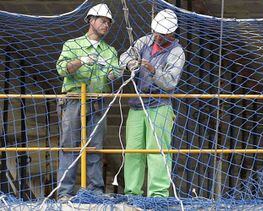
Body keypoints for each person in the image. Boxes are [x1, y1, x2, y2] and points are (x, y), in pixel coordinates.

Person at [56, 3, 121, 201]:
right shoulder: (72, 45)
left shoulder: (110, 51)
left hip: (97, 101)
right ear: (91, 20)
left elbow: (113, 73)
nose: (106, 25)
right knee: (70, 146)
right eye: (103, 21)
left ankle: (95, 191)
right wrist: (81, 61)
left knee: (95, 147)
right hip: (74, 100)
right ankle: (65, 192)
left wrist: (114, 74)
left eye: (109, 23)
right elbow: (61, 69)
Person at [120, 9, 185, 197]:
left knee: (158, 151)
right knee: (133, 151)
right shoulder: (144, 41)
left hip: (160, 106)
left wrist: (152, 69)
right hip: (137, 104)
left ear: (171, 33)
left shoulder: (176, 52)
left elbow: (170, 82)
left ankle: (158, 195)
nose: (157, 36)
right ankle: (132, 192)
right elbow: (124, 56)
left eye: (162, 34)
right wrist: (130, 63)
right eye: (156, 31)